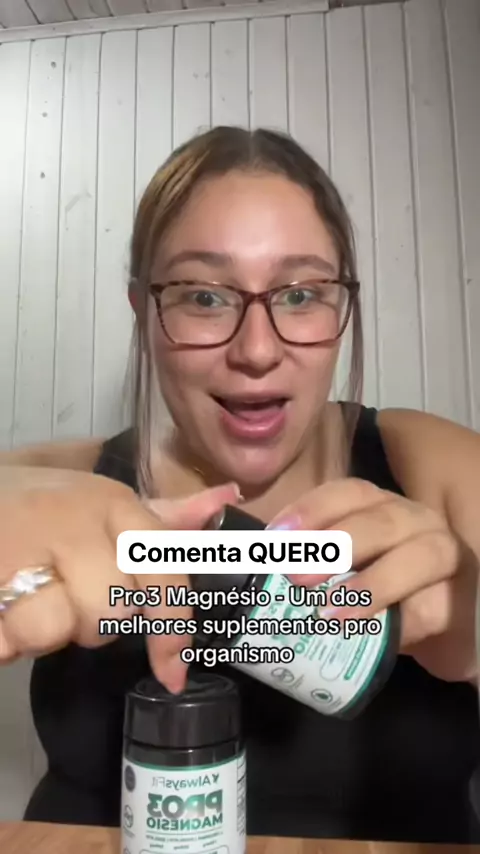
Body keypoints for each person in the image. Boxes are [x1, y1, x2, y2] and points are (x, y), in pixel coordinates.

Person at [1, 125, 480, 844]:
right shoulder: (57, 480)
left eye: (301, 294)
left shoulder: (434, 464)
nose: (257, 351)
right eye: (203, 296)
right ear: (144, 312)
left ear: (342, 308)